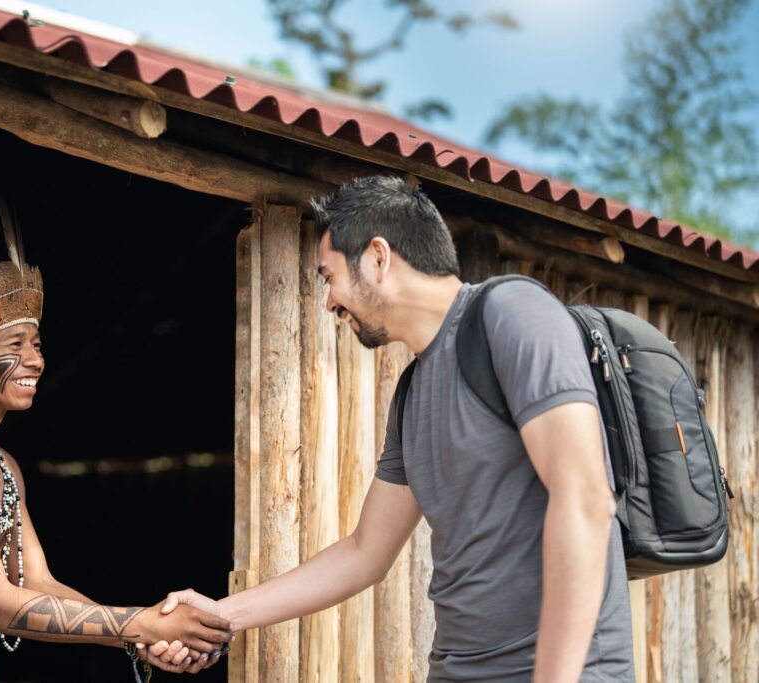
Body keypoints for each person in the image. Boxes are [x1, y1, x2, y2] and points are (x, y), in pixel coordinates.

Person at [164, 176, 635, 682]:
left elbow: (585, 498)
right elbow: (365, 552)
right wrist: (219, 616)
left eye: (329, 277)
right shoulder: (412, 393)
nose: (328, 302)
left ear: (378, 257)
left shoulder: (512, 312)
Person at [0, 248, 229, 682]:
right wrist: (143, 623)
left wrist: (136, 637)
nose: (36, 361)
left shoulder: (3, 465)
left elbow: (35, 583)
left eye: (37, 345)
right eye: (15, 345)